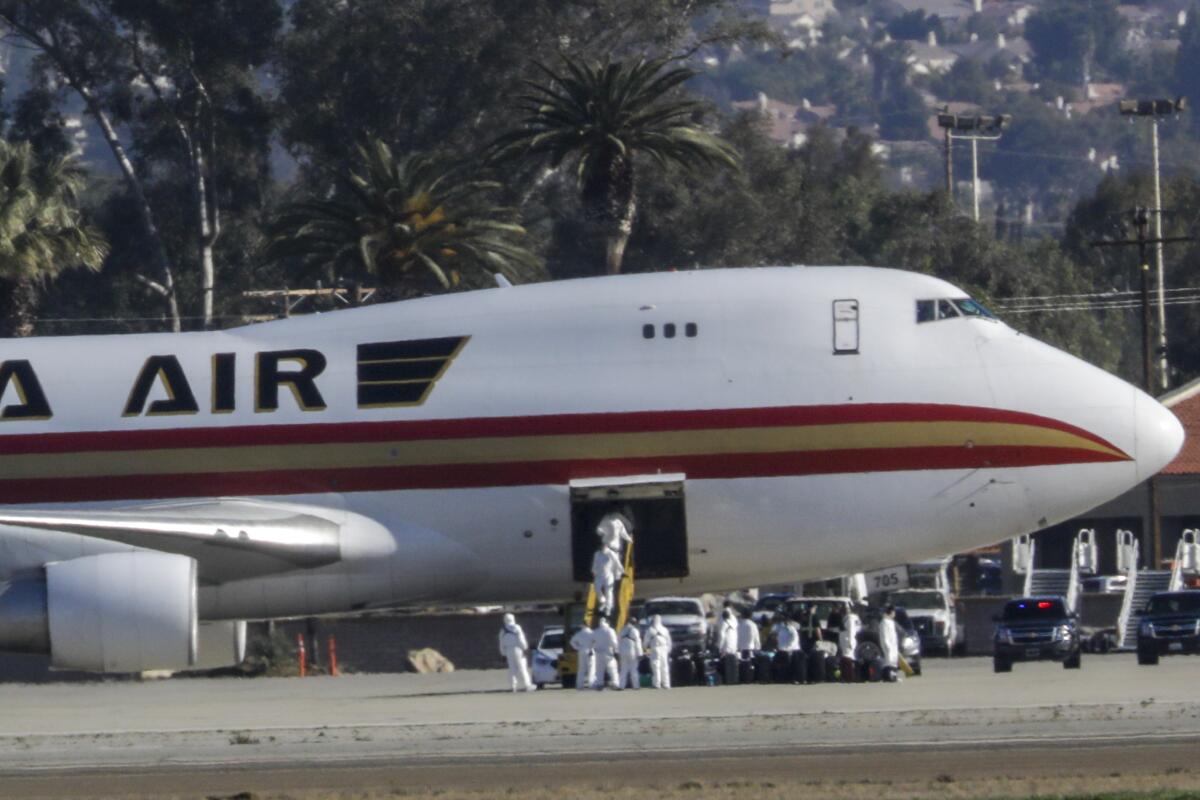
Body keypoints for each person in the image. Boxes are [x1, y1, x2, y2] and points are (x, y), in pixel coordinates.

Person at [498, 613, 535, 692]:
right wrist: (525, 648)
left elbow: (501, 643)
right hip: (518, 649)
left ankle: (513, 686)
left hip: (508, 650)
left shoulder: (503, 630)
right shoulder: (517, 627)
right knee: (522, 668)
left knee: (512, 669)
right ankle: (527, 685)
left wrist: (503, 653)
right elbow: (521, 639)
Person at [643, 614, 673, 689]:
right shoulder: (665, 629)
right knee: (665, 666)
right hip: (664, 649)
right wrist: (668, 650)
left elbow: (645, 642)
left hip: (655, 649)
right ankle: (666, 683)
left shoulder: (650, 630)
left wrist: (645, 649)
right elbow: (669, 641)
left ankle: (657, 684)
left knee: (656, 666)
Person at [591, 546, 622, 616]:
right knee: (597, 588)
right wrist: (594, 570)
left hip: (608, 575)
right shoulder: (597, 554)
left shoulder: (611, 554)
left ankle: (608, 608)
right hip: (599, 574)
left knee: (609, 592)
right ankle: (603, 601)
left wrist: (621, 571)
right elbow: (595, 562)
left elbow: (617, 563)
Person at [592, 616, 620, 689]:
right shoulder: (610, 630)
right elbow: (614, 642)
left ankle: (599, 684)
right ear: (607, 622)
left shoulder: (595, 631)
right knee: (612, 668)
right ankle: (615, 683)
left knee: (599, 670)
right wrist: (616, 650)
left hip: (598, 653)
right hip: (608, 652)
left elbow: (592, 642)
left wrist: (594, 648)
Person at [618, 616, 644, 690]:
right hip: (632, 651)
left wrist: (618, 652)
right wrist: (640, 653)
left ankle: (621, 686)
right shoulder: (635, 630)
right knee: (634, 669)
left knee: (623, 669)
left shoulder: (622, 630)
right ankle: (636, 686)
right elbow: (638, 643)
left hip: (623, 651)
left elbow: (618, 641)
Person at [569, 621, 596, 690]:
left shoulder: (579, 633)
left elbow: (572, 642)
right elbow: (596, 642)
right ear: (588, 625)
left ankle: (579, 685)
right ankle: (591, 684)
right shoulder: (592, 633)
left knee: (581, 669)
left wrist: (578, 648)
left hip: (581, 651)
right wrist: (592, 648)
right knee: (591, 668)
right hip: (590, 651)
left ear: (582, 626)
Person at [880, 604, 901, 680]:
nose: (894, 614)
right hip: (888, 645)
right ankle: (888, 677)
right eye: (894, 612)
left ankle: (894, 676)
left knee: (893, 661)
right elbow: (885, 635)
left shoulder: (891, 622)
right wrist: (887, 646)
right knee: (888, 661)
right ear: (891, 612)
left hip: (893, 645)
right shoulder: (884, 622)